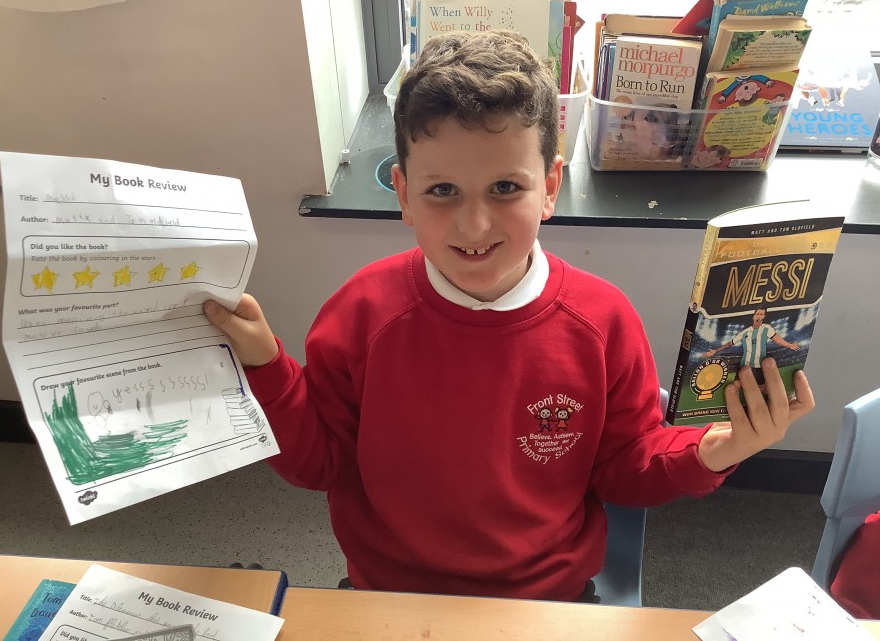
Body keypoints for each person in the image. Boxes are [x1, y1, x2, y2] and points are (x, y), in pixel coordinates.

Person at [204, 30, 814, 602]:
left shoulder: (602, 322)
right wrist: (265, 366)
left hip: (549, 599)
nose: (474, 226)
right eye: (442, 190)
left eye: (505, 188)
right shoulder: (362, 312)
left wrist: (714, 450)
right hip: (390, 593)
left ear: (549, 187)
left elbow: (625, 472)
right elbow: (320, 463)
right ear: (404, 194)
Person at [704, 307, 800, 384]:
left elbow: (776, 339)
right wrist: (715, 351)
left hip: (759, 367)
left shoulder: (767, 328)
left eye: (761, 314)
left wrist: (789, 345)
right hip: (745, 366)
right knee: (736, 386)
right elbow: (729, 344)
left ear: (764, 316)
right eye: (757, 314)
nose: (759, 316)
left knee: (761, 388)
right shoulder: (745, 332)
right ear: (753, 316)